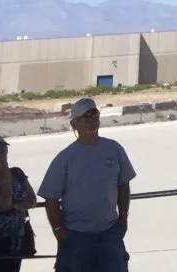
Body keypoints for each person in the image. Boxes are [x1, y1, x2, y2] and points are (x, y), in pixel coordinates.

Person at [37, 97, 135, 272]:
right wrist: (59, 231)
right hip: (76, 236)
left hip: (110, 233)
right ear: (74, 124)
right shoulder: (65, 158)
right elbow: (50, 198)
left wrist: (123, 218)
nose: (91, 120)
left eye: (94, 115)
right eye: (85, 117)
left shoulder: (114, 149)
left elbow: (123, 184)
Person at [0, 135, 36, 270]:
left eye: (3, 152)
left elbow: (32, 200)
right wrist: (5, 177)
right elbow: (3, 204)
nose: (0, 156)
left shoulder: (17, 173)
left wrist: (15, 206)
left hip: (17, 237)